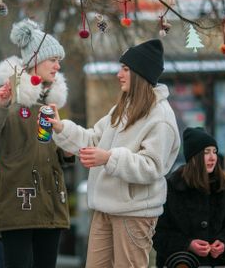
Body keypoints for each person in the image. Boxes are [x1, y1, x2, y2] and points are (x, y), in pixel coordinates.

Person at [49, 39, 180, 267]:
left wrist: (109, 158)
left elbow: (152, 167)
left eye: (126, 69)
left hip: (135, 214)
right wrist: (61, 128)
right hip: (104, 209)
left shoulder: (161, 118)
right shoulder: (123, 109)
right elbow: (92, 139)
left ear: (141, 74)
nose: (119, 74)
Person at [0, 19, 70, 268]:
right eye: (53, 59)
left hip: (51, 206)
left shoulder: (52, 104)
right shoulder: (6, 96)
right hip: (18, 203)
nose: (58, 66)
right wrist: (0, 105)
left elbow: (53, 151)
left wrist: (68, 151)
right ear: (35, 61)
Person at [153, 127, 225, 267]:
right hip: (180, 264)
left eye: (215, 152)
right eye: (206, 152)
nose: (213, 157)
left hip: (217, 264)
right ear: (194, 157)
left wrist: (224, 243)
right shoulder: (172, 187)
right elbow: (158, 233)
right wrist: (187, 245)